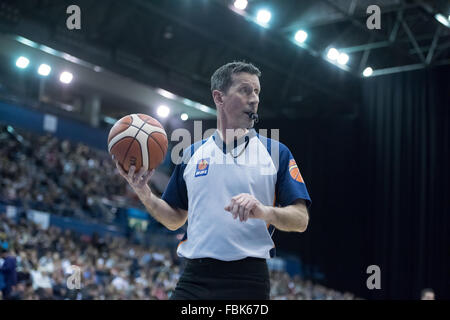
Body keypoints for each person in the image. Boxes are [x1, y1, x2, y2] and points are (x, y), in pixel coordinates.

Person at [113, 61, 311, 300]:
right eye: (245, 90)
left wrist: (264, 211)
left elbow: (301, 220)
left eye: (257, 92)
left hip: (248, 280)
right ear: (219, 98)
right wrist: (143, 191)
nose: (254, 99)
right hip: (196, 276)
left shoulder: (276, 152)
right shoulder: (191, 154)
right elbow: (175, 219)